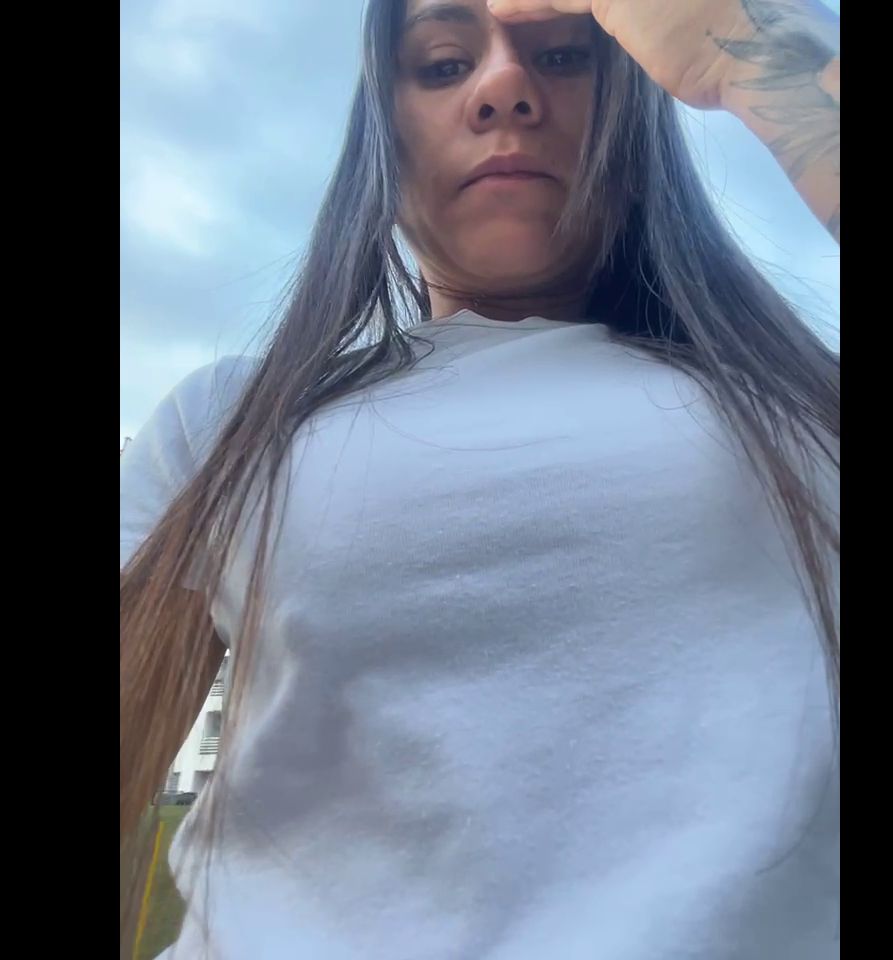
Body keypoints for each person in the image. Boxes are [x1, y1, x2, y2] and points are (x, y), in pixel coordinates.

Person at [120, 1, 840, 957]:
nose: (504, 86)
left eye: (563, 57)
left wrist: (762, 51)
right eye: (442, 63)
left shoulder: (805, 411)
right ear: (383, 143)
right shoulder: (233, 420)